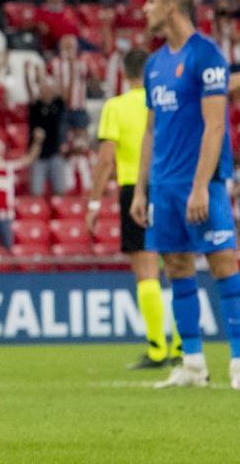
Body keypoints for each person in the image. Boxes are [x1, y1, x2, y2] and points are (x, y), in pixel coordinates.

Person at [129, 0, 240, 390]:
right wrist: (141, 190)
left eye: (152, 1)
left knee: (223, 263)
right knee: (176, 268)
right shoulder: (155, 65)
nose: (144, 7)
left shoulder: (207, 56)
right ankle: (192, 362)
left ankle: (238, 363)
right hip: (164, 185)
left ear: (173, 8)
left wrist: (199, 187)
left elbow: (215, 127)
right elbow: (150, 131)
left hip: (202, 184)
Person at [85, 48, 179, 369]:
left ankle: (157, 349)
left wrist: (95, 201)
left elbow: (105, 159)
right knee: (177, 266)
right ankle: (183, 347)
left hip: (134, 189)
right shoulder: (165, 102)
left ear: (124, 73)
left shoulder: (116, 106)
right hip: (169, 186)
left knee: (145, 270)